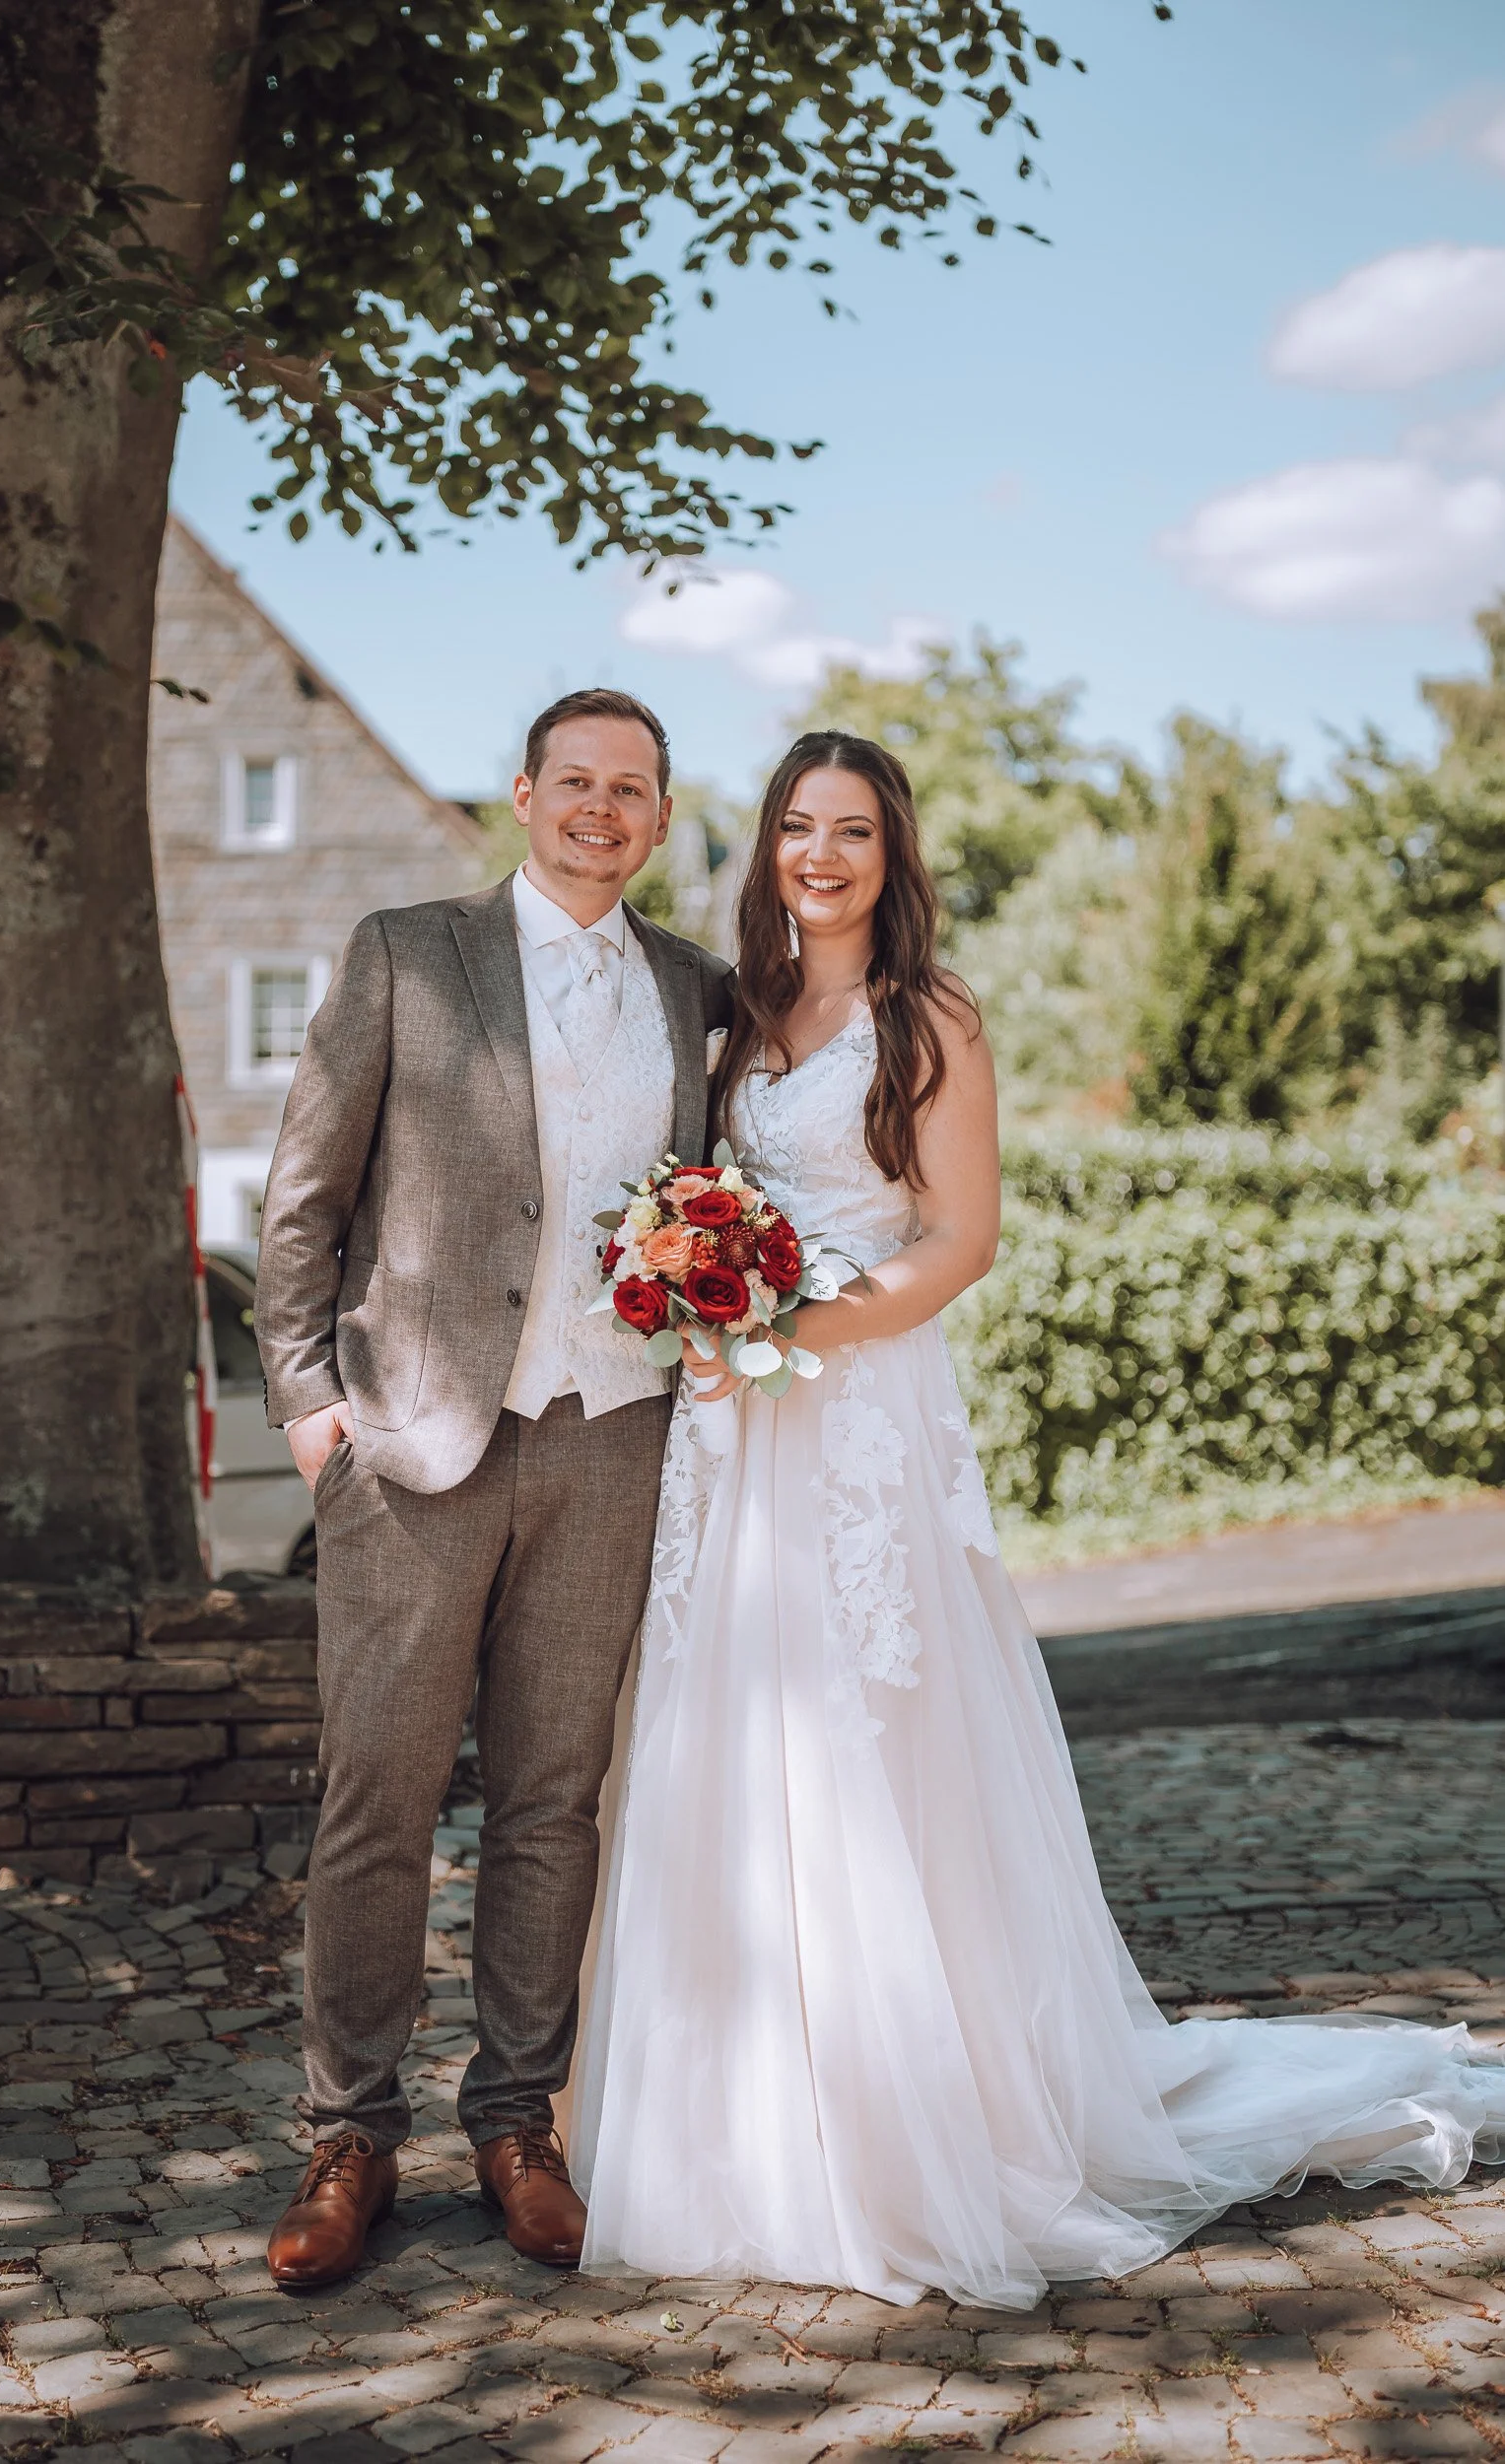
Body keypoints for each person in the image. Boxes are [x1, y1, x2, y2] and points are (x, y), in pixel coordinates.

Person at [569, 727, 1505, 2307]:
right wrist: (697, 1288)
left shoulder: (929, 1017)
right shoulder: (734, 1016)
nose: (820, 856)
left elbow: (958, 1241)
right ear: (764, 850)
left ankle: (908, 2134)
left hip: (853, 1419)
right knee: (723, 1735)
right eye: (797, 828)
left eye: (852, 831)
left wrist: (785, 1320)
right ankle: (731, 2121)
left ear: (893, 854)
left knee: (871, 1741)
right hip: (728, 1438)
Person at [253, 687, 734, 2288]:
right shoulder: (409, 950)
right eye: (575, 781)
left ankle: (520, 2122)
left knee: (551, 1804)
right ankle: (349, 2135)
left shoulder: (695, 994)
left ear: (662, 819)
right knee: (375, 1801)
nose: (601, 809)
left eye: (632, 790)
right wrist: (314, 1411)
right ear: (522, 794)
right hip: (411, 1442)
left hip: (613, 1438)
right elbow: (303, 1199)